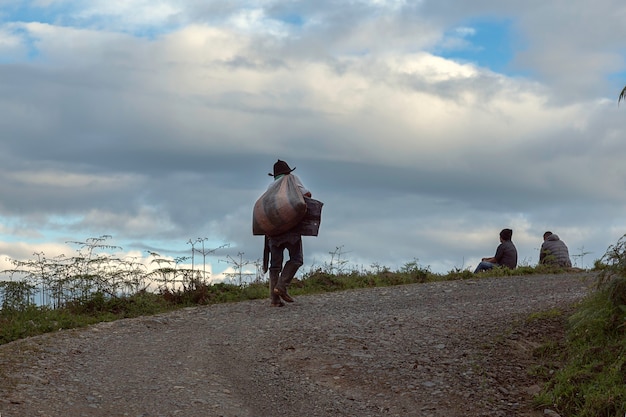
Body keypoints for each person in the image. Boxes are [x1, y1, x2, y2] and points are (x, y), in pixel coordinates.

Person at [262, 160, 312, 307]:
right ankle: (281, 286)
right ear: (288, 172)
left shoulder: (271, 186)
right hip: (290, 228)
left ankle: (274, 300)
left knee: (275, 265)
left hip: (273, 230)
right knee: (296, 259)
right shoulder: (292, 179)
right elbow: (306, 194)